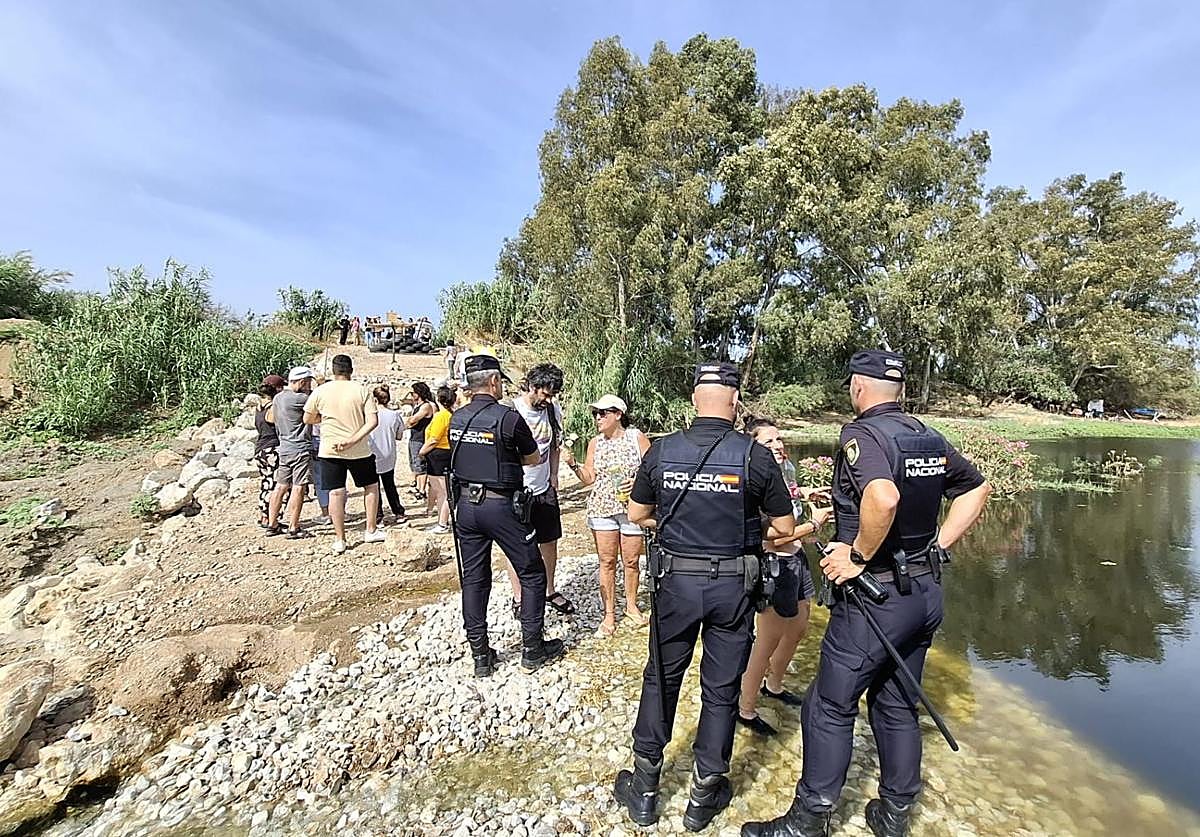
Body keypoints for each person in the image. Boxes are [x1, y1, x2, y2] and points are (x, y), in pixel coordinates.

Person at [742, 350, 992, 837]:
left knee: (829, 705)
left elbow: (884, 496)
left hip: (877, 598)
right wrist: (937, 545)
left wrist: (856, 555)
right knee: (897, 703)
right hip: (924, 592)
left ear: (859, 387)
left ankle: (808, 820)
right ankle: (894, 813)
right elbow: (976, 488)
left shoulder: (863, 434)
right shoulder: (926, 434)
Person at [614, 361, 795, 832]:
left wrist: (673, 529)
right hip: (733, 587)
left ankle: (646, 792)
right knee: (720, 689)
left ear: (695, 400)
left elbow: (637, 513)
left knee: (661, 678)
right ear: (735, 403)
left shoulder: (663, 450)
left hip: (675, 584)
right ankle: (703, 795)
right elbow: (784, 528)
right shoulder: (755, 457)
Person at [449, 353, 565, 678]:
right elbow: (531, 459)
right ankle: (532, 649)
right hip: (502, 506)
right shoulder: (508, 418)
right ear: (495, 382)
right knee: (531, 573)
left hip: (466, 509)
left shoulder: (457, 418)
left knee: (474, 580)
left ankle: (480, 657)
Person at [735, 417, 832, 738]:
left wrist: (804, 493)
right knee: (767, 640)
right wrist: (814, 525)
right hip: (773, 565)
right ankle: (745, 709)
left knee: (799, 627)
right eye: (768, 442)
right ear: (753, 449)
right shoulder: (755, 479)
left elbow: (788, 496)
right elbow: (768, 539)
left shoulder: (784, 471)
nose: (777, 446)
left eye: (779, 440)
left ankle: (773, 686)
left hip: (797, 562)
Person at [564, 394, 651, 637]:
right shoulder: (595, 443)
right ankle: (609, 613)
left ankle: (631, 605)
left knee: (632, 561)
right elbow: (589, 478)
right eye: (595, 413)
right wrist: (573, 464)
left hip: (632, 508)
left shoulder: (637, 438)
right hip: (602, 508)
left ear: (618, 414)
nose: (597, 418)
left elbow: (653, 471)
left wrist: (636, 482)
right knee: (607, 561)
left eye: (603, 413)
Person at [505, 363, 574, 618]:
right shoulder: (512, 411)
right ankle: (519, 596)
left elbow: (555, 445)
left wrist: (554, 475)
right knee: (517, 547)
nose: (548, 399)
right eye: (544, 394)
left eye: (552, 395)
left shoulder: (554, 410)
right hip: (518, 491)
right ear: (531, 386)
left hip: (544, 488)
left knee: (549, 542)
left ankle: (549, 589)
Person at [303, 354, 385, 555]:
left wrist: (325, 418)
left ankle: (340, 539)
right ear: (351, 370)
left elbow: (308, 418)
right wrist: (353, 439)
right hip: (359, 449)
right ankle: (370, 529)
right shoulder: (361, 390)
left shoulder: (321, 391)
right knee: (371, 487)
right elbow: (372, 422)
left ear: (333, 370)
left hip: (330, 448)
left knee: (336, 492)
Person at [266, 367, 315, 539]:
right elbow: (318, 402)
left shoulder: (279, 398)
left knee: (280, 486)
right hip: (300, 448)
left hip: (284, 447)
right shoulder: (302, 399)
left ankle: (272, 524)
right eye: (308, 382)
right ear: (302, 382)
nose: (310, 385)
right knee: (298, 486)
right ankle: (294, 527)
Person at [369, 385, 408, 525]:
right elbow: (399, 436)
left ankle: (377, 515)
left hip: (371, 453)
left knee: (373, 486)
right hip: (389, 453)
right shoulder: (394, 415)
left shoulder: (367, 415)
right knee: (389, 484)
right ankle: (398, 512)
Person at [418, 385, 455, 534]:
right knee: (440, 491)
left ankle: (442, 523)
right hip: (441, 454)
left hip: (439, 455)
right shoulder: (449, 414)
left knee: (443, 492)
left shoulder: (442, 416)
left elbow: (434, 439)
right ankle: (442, 520)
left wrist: (422, 451)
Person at [253, 375, 286, 527]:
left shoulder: (259, 406)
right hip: (272, 449)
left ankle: (263, 515)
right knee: (276, 484)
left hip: (260, 449)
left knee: (266, 483)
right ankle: (272, 518)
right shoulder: (272, 408)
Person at [405, 382, 437, 502]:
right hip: (414, 437)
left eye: (413, 393)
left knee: (420, 465)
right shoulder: (419, 405)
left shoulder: (426, 406)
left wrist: (411, 421)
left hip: (421, 438)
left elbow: (413, 420)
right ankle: (418, 488)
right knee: (414, 464)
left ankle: (421, 490)